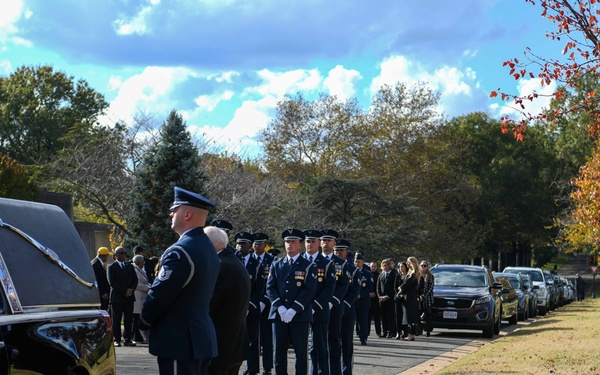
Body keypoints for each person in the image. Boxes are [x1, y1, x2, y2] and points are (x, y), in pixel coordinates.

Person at [139, 186, 220, 375]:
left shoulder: (179, 251)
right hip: (200, 338)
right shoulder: (209, 249)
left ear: (187, 214)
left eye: (174, 210)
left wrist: (144, 322)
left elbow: (159, 294)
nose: (170, 214)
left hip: (179, 340)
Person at [267, 228, 317, 375]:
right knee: (279, 353)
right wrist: (280, 307)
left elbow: (308, 290)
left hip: (299, 315)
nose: (289, 245)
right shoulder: (277, 264)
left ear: (300, 244)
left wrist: (294, 309)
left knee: (301, 353)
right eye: (287, 242)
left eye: (293, 242)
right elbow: (270, 287)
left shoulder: (308, 265)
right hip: (279, 315)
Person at [205, 226, 251, 375]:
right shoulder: (233, 261)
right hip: (233, 344)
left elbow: (208, 305)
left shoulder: (221, 266)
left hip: (221, 345)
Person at [303, 229, 336, 375]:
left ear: (318, 243)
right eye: (308, 241)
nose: (310, 244)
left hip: (320, 309)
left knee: (320, 347)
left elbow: (329, 288)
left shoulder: (327, 264)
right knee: (305, 348)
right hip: (300, 309)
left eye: (313, 241)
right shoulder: (299, 261)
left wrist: (315, 306)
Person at [235, 231, 266, 375]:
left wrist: (250, 305)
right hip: (233, 309)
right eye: (239, 243)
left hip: (251, 309)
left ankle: (252, 369)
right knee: (233, 340)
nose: (241, 246)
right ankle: (232, 366)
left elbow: (260, 287)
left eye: (244, 243)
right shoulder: (233, 260)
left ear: (250, 246)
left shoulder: (257, 264)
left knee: (252, 341)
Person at [320, 229, 350, 375]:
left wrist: (332, 301)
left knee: (334, 342)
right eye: (323, 240)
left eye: (329, 241)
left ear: (334, 243)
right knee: (317, 344)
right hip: (317, 307)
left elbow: (344, 285)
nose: (326, 243)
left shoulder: (341, 263)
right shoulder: (315, 261)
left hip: (334, 307)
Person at [334, 240, 360, 375]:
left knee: (346, 343)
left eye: (341, 251)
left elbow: (354, 291)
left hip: (347, 311)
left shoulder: (353, 270)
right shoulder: (329, 267)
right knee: (332, 343)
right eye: (336, 251)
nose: (338, 253)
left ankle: (347, 371)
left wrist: (343, 305)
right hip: (332, 311)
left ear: (346, 252)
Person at [253, 232, 275, 375]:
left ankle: (267, 367)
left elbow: (272, 284)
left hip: (266, 304)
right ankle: (252, 367)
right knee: (253, 338)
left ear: (265, 245)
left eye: (260, 244)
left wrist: (264, 301)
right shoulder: (247, 259)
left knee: (267, 338)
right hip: (252, 304)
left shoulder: (272, 260)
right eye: (255, 243)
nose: (257, 246)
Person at [108, 246, 138, 347]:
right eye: (121, 253)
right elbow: (112, 282)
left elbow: (135, 280)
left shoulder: (129, 266)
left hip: (129, 297)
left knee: (129, 319)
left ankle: (127, 339)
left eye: (124, 253)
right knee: (116, 319)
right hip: (117, 298)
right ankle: (117, 339)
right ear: (115, 255)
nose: (124, 255)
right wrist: (124, 290)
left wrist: (130, 290)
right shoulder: (111, 267)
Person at [398, 256, 421, 341]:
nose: (407, 264)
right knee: (407, 316)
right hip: (406, 296)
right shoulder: (410, 272)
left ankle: (411, 334)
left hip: (410, 297)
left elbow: (407, 284)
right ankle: (409, 333)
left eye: (408, 262)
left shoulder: (414, 274)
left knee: (410, 316)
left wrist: (401, 288)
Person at [132, 254, 152, 344]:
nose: (144, 263)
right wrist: (148, 288)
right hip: (138, 296)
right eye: (143, 261)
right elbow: (138, 284)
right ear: (139, 262)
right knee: (136, 317)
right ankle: (136, 336)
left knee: (139, 316)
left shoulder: (140, 270)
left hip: (142, 297)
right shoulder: (135, 270)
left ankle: (139, 336)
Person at [354, 254, 373, 346]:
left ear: (362, 262)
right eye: (356, 261)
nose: (357, 263)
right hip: (352, 301)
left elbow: (369, 287)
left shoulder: (367, 273)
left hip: (363, 301)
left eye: (359, 262)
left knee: (363, 321)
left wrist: (360, 295)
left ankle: (363, 338)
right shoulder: (351, 271)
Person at [377, 259, 397, 338]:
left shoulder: (394, 274)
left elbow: (394, 287)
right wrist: (380, 296)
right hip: (382, 299)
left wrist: (388, 296)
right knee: (383, 315)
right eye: (383, 266)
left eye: (386, 265)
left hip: (390, 299)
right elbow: (378, 286)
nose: (384, 267)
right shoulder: (381, 274)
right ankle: (384, 331)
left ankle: (390, 331)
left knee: (390, 316)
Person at [91, 246, 112, 311]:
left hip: (104, 294)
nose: (107, 258)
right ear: (103, 256)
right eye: (107, 255)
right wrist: (102, 292)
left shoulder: (100, 263)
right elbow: (96, 280)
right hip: (101, 295)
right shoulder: (95, 264)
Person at [418, 260, 434, 337]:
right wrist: (419, 295)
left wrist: (424, 296)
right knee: (419, 314)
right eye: (422, 265)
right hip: (419, 298)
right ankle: (419, 330)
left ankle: (428, 330)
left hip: (428, 299)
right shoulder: (418, 275)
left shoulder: (430, 276)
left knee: (428, 314)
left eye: (425, 266)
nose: (423, 267)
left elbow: (431, 287)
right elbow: (417, 287)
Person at [394, 261, 408, 339]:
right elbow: (395, 286)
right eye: (400, 266)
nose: (401, 268)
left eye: (402, 266)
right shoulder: (397, 276)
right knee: (398, 315)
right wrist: (398, 294)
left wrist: (404, 293)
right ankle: (398, 332)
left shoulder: (408, 276)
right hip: (398, 298)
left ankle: (405, 332)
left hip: (406, 298)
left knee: (405, 315)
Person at [367, 261, 381, 338]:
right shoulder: (367, 274)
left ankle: (378, 332)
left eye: (374, 266)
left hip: (376, 298)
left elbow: (379, 286)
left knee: (377, 317)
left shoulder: (379, 275)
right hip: (368, 298)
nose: (373, 268)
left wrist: (375, 293)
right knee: (367, 317)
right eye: (372, 266)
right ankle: (367, 331)